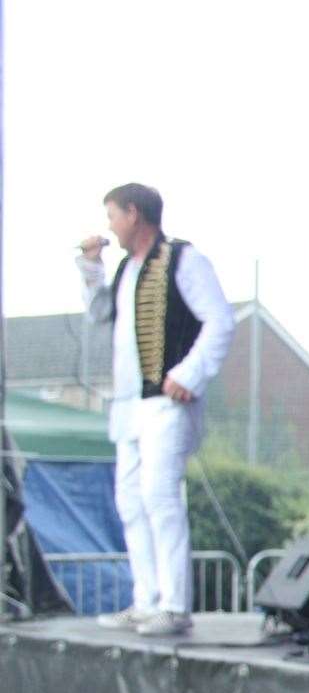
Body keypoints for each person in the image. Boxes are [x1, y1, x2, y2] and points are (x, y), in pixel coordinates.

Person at [77, 183, 234, 637]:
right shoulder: (128, 267)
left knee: (160, 497)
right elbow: (101, 314)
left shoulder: (183, 259)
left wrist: (189, 373)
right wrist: (90, 268)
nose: (109, 225)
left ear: (134, 213)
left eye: (112, 215)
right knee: (130, 501)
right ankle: (145, 599)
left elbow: (220, 320)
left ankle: (175, 604)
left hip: (165, 401)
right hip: (129, 404)